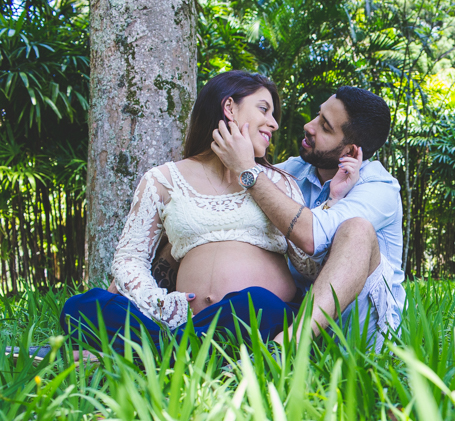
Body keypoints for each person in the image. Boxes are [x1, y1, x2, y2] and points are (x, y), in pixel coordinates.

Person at [58, 71, 360, 355]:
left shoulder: (278, 182)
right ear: (229, 106)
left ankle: (148, 354)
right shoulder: (162, 179)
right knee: (81, 307)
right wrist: (160, 306)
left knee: (255, 303)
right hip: (183, 321)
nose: (274, 124)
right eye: (264, 110)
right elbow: (129, 261)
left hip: (257, 316)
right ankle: (187, 350)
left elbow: (309, 266)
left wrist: (331, 202)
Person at [211, 86, 404, 350]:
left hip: (359, 336)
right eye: (317, 115)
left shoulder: (379, 187)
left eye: (325, 127)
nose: (309, 126)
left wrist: (248, 169)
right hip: (293, 315)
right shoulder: (293, 171)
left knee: (357, 229)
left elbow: (312, 237)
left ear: (349, 151)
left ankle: (285, 350)